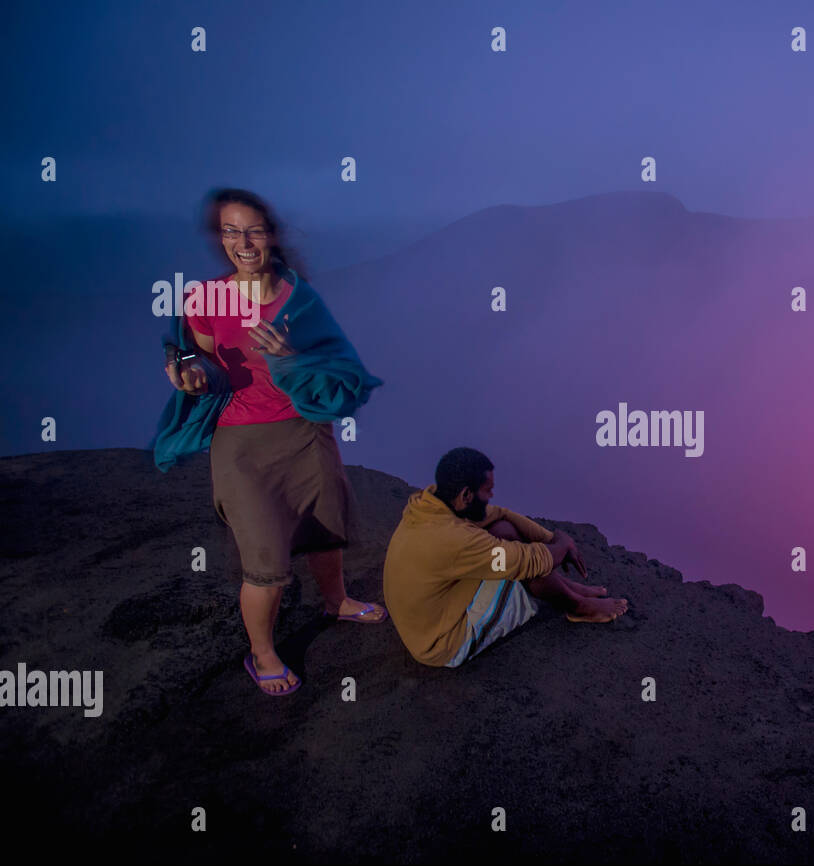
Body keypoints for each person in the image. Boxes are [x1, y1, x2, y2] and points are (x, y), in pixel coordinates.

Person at [161, 188, 386, 696]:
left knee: (326, 527)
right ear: (220, 238)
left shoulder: (298, 298)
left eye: (253, 230)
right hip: (242, 441)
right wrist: (191, 375)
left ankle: (337, 601)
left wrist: (291, 358)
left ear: (272, 235)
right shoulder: (205, 297)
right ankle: (262, 653)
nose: (242, 241)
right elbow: (204, 363)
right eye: (230, 231)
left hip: (306, 432)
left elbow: (339, 370)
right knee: (267, 562)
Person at [383, 448, 628, 668]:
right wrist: (562, 545)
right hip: (441, 644)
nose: (491, 497)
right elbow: (527, 561)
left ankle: (568, 589)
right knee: (521, 567)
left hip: (429, 618)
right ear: (467, 495)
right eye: (486, 491)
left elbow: (500, 514)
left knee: (503, 529)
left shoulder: (433, 504)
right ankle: (578, 607)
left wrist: (551, 537)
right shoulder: (451, 538)